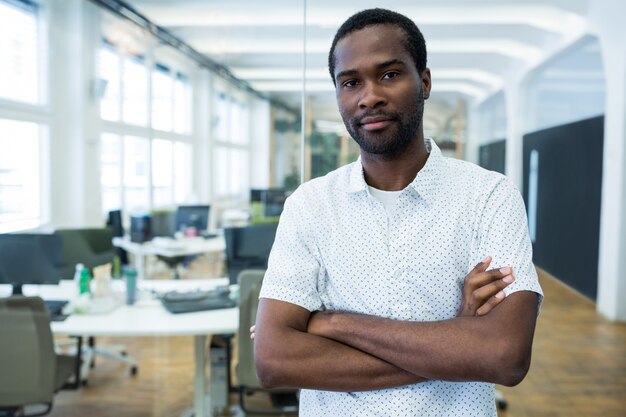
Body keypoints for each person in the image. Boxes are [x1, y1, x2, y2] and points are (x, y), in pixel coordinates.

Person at [253, 8, 543, 417]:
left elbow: (504, 356)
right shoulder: (310, 205)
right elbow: (273, 359)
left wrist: (334, 324)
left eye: (389, 74)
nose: (369, 96)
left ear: (424, 82)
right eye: (350, 82)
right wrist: (456, 342)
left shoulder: (488, 196)